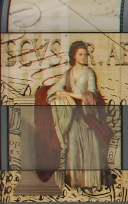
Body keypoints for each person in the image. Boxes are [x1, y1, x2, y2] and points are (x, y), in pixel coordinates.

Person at [41, 41, 114, 190]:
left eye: (85, 54)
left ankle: (90, 182)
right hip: (72, 117)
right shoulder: (67, 74)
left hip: (88, 116)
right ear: (74, 55)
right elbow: (52, 92)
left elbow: (92, 94)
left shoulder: (89, 73)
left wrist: (68, 94)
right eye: (81, 54)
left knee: (90, 148)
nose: (84, 57)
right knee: (73, 149)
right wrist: (61, 96)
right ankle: (75, 183)